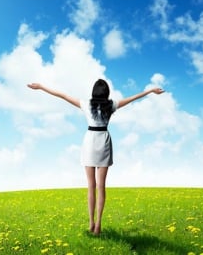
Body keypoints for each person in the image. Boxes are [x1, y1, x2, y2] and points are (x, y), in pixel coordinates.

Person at [27, 79, 164, 235]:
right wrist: (150, 91)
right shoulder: (111, 105)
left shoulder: (86, 104)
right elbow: (133, 98)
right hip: (104, 141)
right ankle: (98, 223)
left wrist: (41, 87)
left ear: (94, 92)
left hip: (90, 141)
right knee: (101, 186)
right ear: (107, 93)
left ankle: (91, 222)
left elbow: (62, 95)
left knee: (91, 186)